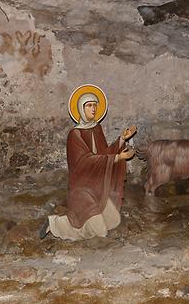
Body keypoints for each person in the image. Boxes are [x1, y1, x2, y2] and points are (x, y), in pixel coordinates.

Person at [41, 90, 136, 240]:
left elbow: (104, 153)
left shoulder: (96, 128)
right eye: (89, 105)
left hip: (97, 187)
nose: (93, 109)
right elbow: (85, 161)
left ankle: (76, 225)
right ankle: (56, 224)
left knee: (114, 221)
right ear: (80, 108)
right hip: (81, 189)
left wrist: (122, 140)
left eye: (95, 105)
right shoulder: (75, 134)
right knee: (101, 233)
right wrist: (118, 157)